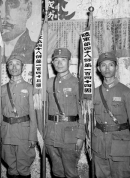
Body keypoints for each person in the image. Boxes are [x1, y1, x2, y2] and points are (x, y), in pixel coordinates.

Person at [0, 53, 37, 178]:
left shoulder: (30, 88)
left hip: (24, 133)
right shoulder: (1, 89)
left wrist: (33, 137)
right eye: (10, 64)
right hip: (6, 132)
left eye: (17, 64)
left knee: (23, 168)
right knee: (11, 168)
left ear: (22, 67)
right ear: (7, 68)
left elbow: (33, 115)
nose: (14, 67)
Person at [92, 51, 130, 178]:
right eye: (103, 65)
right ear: (99, 69)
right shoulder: (94, 93)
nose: (107, 68)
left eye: (111, 65)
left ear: (116, 67)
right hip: (99, 147)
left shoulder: (127, 93)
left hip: (120, 148)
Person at [44, 48, 85, 178]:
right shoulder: (48, 83)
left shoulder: (77, 83)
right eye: (56, 60)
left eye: (63, 60)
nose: (59, 63)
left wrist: (80, 136)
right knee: (56, 172)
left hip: (70, 135)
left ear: (70, 61)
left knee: (71, 173)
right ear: (52, 63)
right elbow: (42, 108)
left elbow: (83, 111)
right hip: (51, 134)